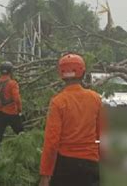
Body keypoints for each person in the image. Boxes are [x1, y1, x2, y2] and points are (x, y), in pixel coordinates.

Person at [39, 53, 102, 186]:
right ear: (83, 72)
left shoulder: (58, 102)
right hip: (90, 163)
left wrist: (45, 173)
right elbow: (102, 134)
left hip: (65, 164)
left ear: (61, 75)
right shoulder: (95, 99)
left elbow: (51, 141)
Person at [0, 61, 23, 153]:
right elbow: (17, 99)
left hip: (1, 113)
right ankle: (24, 152)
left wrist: (0, 108)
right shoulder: (12, 83)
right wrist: (20, 110)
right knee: (21, 134)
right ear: (11, 71)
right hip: (12, 113)